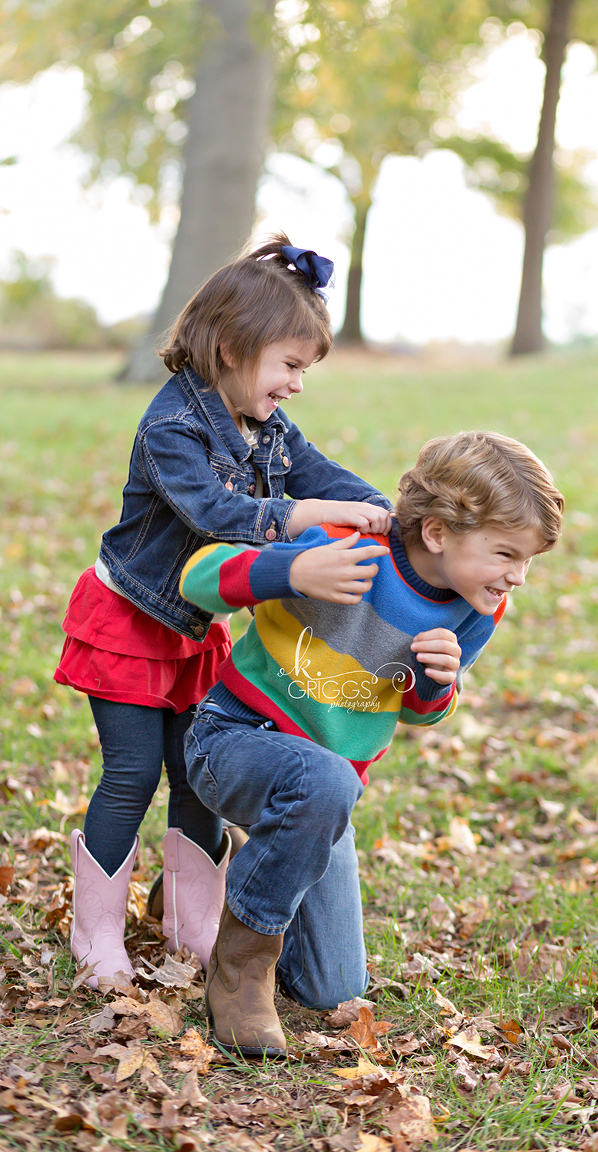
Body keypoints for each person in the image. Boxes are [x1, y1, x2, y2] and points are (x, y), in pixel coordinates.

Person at [54, 234, 393, 991]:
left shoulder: (262, 424)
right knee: (132, 773)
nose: (298, 384)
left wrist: (381, 508)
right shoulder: (172, 426)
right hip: (129, 620)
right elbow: (215, 510)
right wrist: (305, 517)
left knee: (193, 776)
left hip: (195, 628)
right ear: (236, 347)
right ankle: (96, 932)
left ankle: (193, 927)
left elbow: (317, 468)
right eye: (292, 365)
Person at [180, 429, 564, 1057]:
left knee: (335, 990)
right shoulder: (344, 545)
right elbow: (197, 579)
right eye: (505, 554)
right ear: (437, 533)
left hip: (322, 793)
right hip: (233, 740)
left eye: (528, 561)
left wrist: (437, 685)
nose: (517, 577)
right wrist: (293, 569)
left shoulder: (477, 605)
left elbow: (419, 713)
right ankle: (240, 970)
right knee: (327, 782)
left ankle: (265, 855)